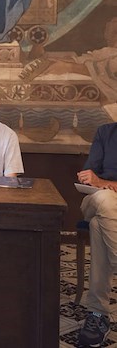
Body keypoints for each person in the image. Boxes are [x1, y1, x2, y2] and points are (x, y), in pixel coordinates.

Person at [76, 123, 117, 347]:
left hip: (106, 213)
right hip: (95, 200)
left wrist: (103, 183)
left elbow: (99, 181)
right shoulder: (105, 132)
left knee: (99, 226)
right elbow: (89, 174)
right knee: (104, 200)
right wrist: (96, 182)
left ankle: (98, 314)